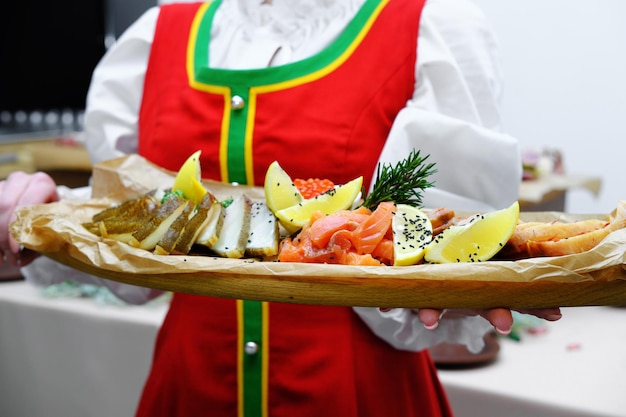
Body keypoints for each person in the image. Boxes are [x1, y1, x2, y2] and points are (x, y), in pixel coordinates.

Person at [0, 0, 562, 415]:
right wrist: (48, 218)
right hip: (190, 388)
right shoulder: (158, 35)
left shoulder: (431, 29)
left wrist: (457, 285)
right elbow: (134, 240)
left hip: (359, 395)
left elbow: (440, 241)